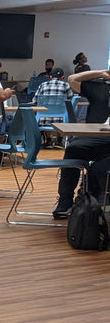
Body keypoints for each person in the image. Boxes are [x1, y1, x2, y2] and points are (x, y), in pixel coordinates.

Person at [53, 68, 110, 219]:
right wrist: (101, 72)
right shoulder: (100, 88)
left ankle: (95, 201)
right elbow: (72, 79)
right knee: (73, 149)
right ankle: (65, 201)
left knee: (99, 167)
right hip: (96, 138)